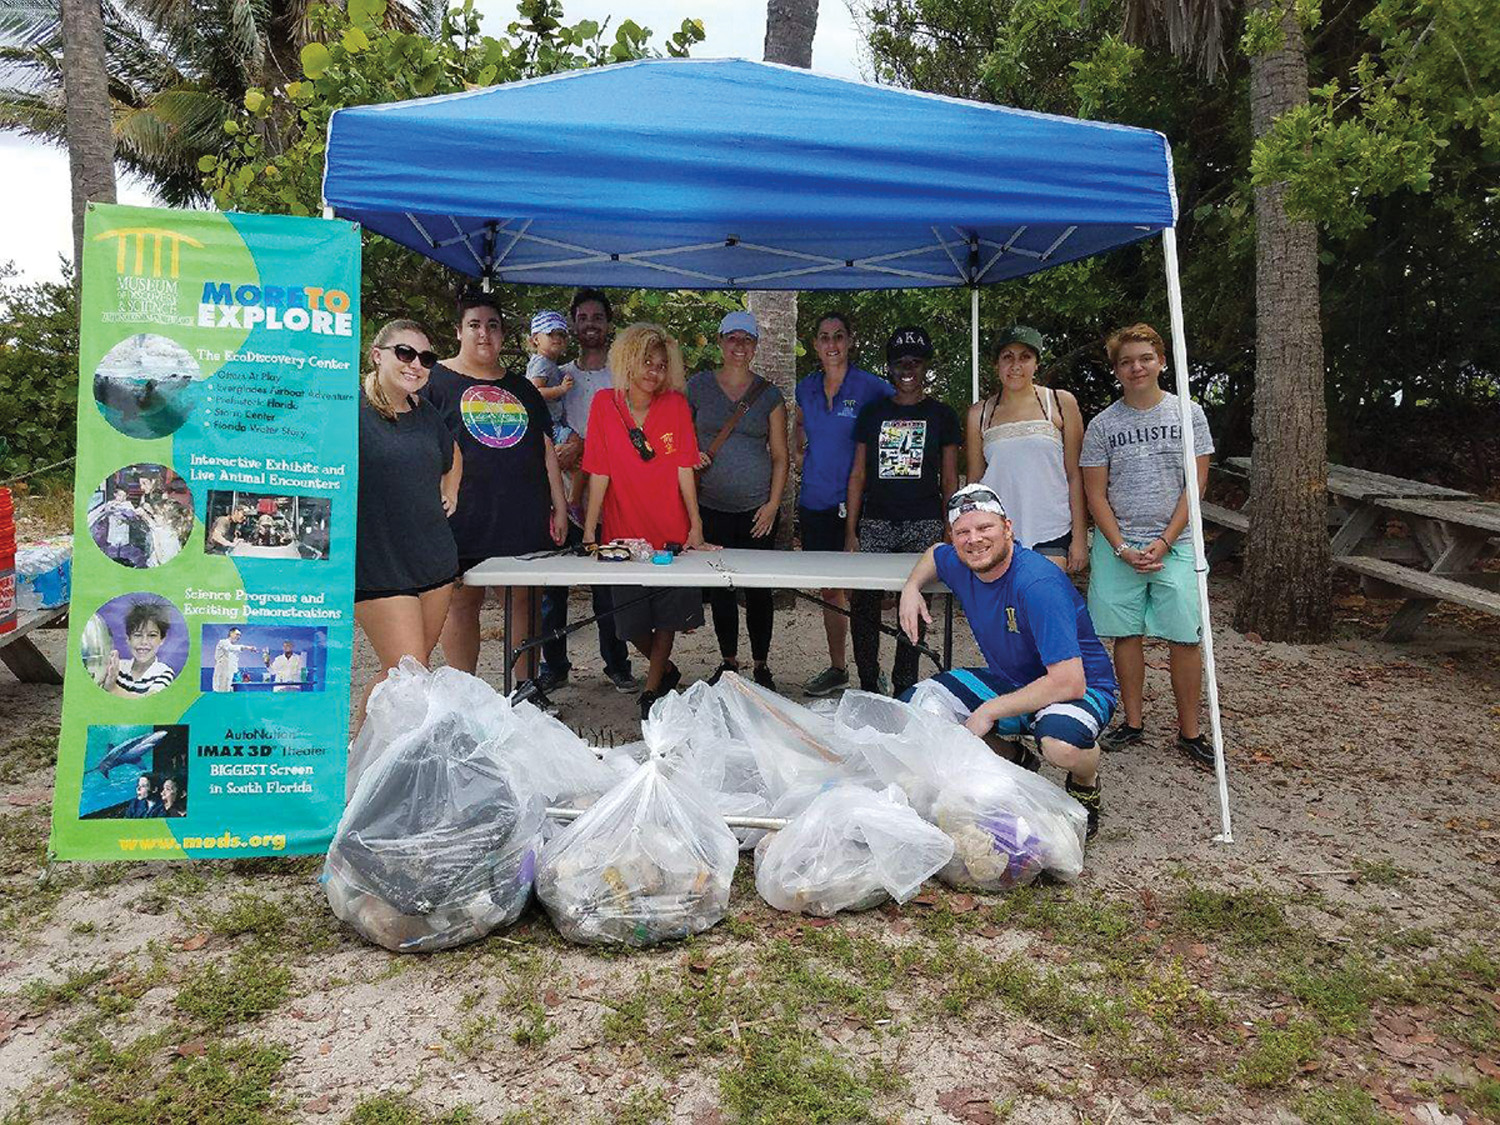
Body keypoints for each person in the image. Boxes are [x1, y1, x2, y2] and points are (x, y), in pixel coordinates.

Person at [898, 484, 1117, 837]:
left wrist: (989, 710)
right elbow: (934, 554)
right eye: (963, 532)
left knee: (1060, 745)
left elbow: (1068, 681)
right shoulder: (959, 560)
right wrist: (910, 588)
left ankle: (1085, 781)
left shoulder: (1037, 582)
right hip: (1011, 681)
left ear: (1009, 529)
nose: (974, 540)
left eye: (985, 528)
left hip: (1079, 686)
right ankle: (1016, 760)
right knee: (920, 707)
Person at [1080, 323, 1214, 766]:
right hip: (1119, 544)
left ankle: (1190, 731)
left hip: (1175, 540)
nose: (1136, 368)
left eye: (1144, 358)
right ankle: (1133, 722)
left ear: (1160, 361)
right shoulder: (1103, 424)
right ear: (1115, 369)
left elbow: (1195, 484)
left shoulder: (1187, 414)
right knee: (1126, 633)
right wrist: (1120, 547)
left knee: (1184, 635)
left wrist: (1165, 539)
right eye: (1126, 361)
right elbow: (1095, 492)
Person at [422, 292, 567, 693]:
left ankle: (525, 689)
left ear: (503, 334)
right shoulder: (435, 382)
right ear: (457, 331)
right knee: (462, 602)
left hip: (522, 512)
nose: (484, 333)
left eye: (492, 325)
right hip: (460, 515)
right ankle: (465, 694)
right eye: (474, 325)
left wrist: (559, 506)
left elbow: (546, 448)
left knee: (524, 600)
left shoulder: (523, 387)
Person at [582, 323, 716, 719]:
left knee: (667, 617)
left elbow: (683, 468)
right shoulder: (605, 404)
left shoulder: (674, 405)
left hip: (670, 530)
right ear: (627, 361)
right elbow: (599, 471)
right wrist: (590, 528)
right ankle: (667, 670)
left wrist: (696, 525)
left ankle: (653, 687)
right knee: (628, 622)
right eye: (645, 362)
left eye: (661, 364)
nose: (654, 372)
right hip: (623, 532)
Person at [355, 319, 463, 726]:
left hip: (433, 560)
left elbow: (454, 455)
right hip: (380, 564)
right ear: (377, 355)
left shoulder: (425, 411)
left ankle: (387, 760)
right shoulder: (352, 411)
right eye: (405, 353)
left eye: (426, 357)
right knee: (404, 669)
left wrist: (450, 491)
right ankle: (359, 762)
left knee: (410, 675)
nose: (416, 364)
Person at [845, 326, 960, 698]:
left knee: (915, 605)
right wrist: (852, 530)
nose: (907, 369)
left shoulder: (941, 415)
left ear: (925, 366)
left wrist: (950, 527)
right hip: (876, 520)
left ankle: (904, 684)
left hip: (924, 521)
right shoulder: (873, 412)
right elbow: (859, 472)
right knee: (863, 604)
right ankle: (867, 679)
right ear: (890, 368)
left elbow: (948, 477)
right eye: (899, 363)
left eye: (915, 361)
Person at [536, 289, 637, 694]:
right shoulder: (557, 376)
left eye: (598, 317)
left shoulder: (623, 375)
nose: (590, 324)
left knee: (608, 585)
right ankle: (554, 665)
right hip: (561, 493)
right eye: (583, 317)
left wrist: (588, 451)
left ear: (608, 325)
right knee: (552, 587)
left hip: (609, 494)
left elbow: (635, 434)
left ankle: (617, 663)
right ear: (573, 324)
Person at [793, 312, 894, 697]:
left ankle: (872, 669)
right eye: (824, 337)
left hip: (860, 503)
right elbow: (799, 425)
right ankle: (839, 668)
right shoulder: (807, 387)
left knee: (864, 592)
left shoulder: (871, 387)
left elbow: (899, 416)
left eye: (838, 336)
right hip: (816, 500)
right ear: (815, 344)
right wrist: (802, 453)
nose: (831, 344)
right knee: (830, 591)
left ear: (849, 340)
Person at [687, 310, 788, 689]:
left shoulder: (768, 394)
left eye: (747, 339)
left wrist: (773, 504)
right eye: (733, 338)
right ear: (720, 342)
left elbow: (780, 455)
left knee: (759, 590)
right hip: (711, 504)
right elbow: (680, 438)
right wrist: (690, 456)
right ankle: (728, 661)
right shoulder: (698, 387)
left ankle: (761, 664)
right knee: (722, 588)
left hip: (756, 507)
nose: (739, 346)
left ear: (756, 346)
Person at [965, 326, 1088, 573]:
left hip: (1051, 528)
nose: (1016, 365)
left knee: (1043, 605)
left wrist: (1080, 538)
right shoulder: (980, 414)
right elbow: (974, 481)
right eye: (1007, 357)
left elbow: (1075, 475)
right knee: (1002, 610)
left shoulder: (1060, 403)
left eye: (1025, 357)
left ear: (1037, 364)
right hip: (995, 533)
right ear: (997, 364)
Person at [102, 599, 176, 698]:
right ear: (128, 638)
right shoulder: (117, 668)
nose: (144, 642)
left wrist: (113, 688)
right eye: (137, 635)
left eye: (152, 635)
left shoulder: (164, 673)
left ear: (162, 639)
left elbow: (149, 703)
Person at [525, 309, 576, 442]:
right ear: (536, 339)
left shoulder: (548, 363)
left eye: (561, 334)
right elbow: (535, 392)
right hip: (545, 422)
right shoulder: (542, 363)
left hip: (549, 420)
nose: (557, 338)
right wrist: (561, 389)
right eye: (550, 334)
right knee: (572, 440)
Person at [212, 626, 259, 692]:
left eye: (240, 635)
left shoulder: (235, 651)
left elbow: (233, 663)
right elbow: (231, 648)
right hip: (221, 672)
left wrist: (238, 676)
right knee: (220, 692)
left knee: (227, 692)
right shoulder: (223, 642)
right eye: (237, 634)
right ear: (231, 633)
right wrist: (247, 647)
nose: (238, 637)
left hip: (229, 674)